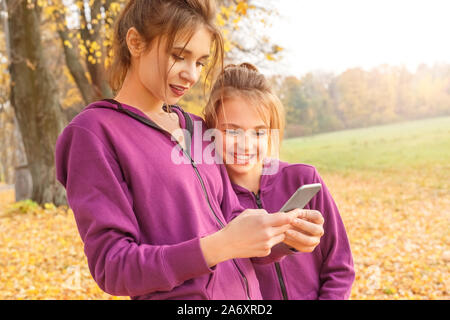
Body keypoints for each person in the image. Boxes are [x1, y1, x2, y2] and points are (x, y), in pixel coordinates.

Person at [55, 0, 321, 300]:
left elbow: (230, 222)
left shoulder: (196, 127)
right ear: (135, 42)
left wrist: (281, 238)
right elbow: (113, 267)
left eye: (200, 62)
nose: (192, 75)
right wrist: (220, 246)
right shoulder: (94, 133)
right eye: (179, 56)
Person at [204, 63, 355, 300]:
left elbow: (340, 266)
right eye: (232, 131)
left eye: (259, 132)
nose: (246, 144)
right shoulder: (210, 200)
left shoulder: (303, 179)